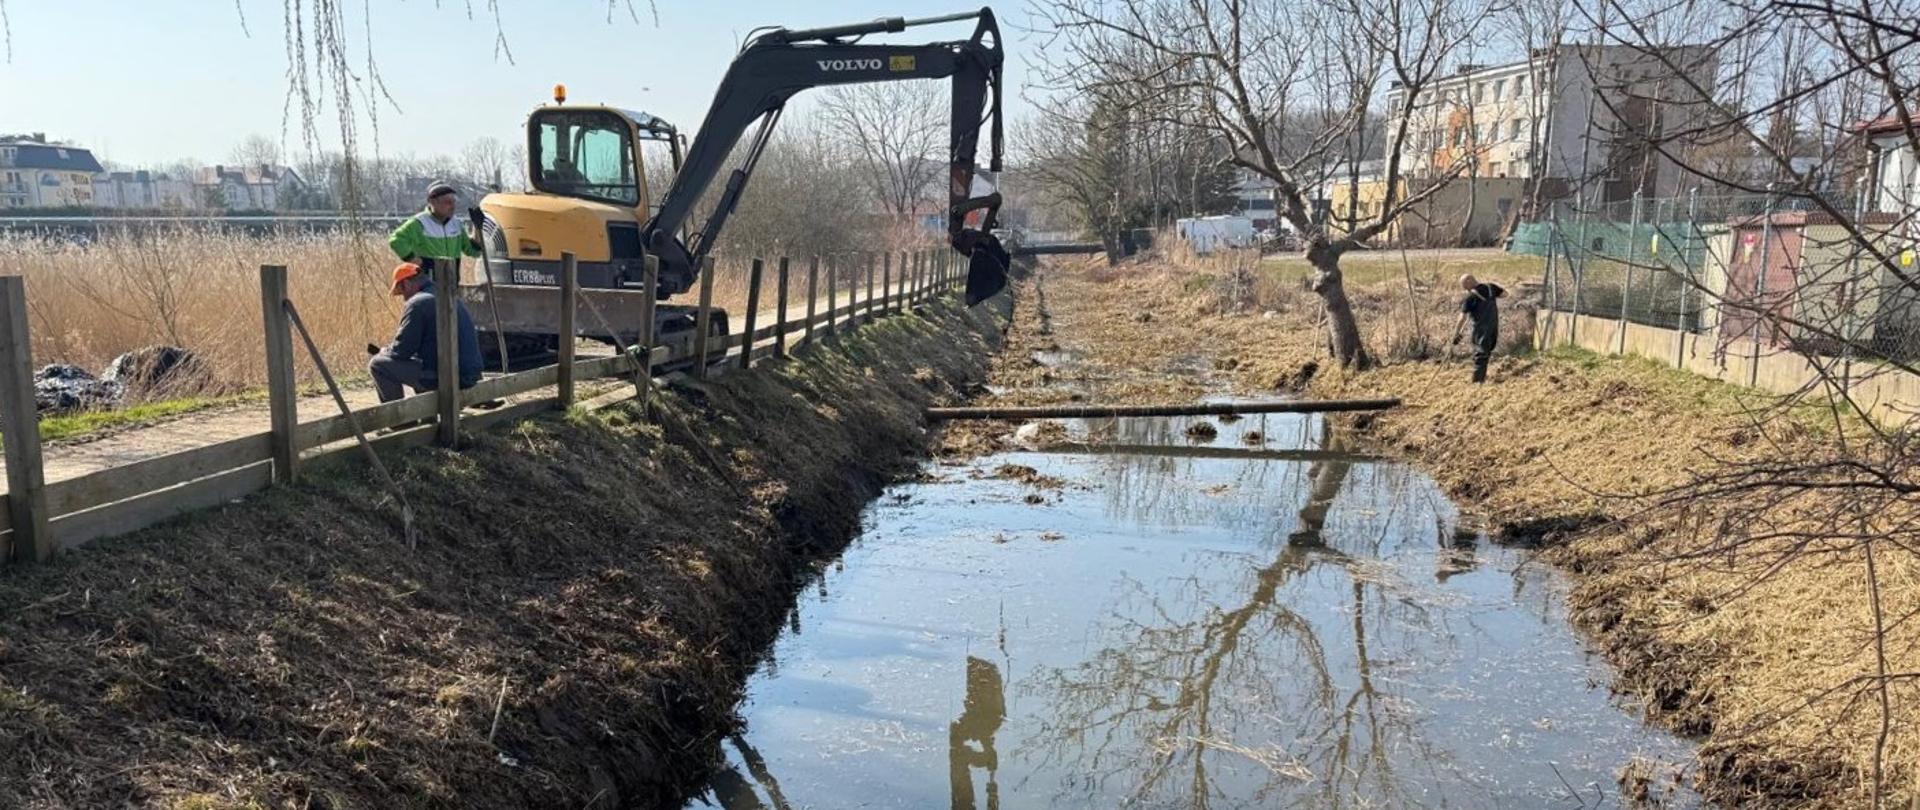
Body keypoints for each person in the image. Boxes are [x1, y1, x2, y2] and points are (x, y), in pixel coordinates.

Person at [369, 262, 483, 403]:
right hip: (469, 374)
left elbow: (402, 350)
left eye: (402, 291)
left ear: (406, 284)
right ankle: (428, 417)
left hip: (447, 376)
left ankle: (401, 421)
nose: (404, 298)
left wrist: (384, 351)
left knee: (377, 364)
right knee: (421, 361)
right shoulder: (449, 295)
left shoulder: (417, 303)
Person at [388, 182, 482, 266]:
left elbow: (475, 252)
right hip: (426, 283)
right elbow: (396, 240)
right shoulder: (420, 223)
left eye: (454, 202)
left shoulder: (456, 224)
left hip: (451, 281)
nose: (453, 206)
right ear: (432, 202)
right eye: (448, 202)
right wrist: (411, 258)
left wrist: (477, 228)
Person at [1451, 273, 1506, 383]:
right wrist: (1492, 297)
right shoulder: (1491, 287)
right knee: (1486, 352)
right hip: (1493, 326)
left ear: (1469, 282)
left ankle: (1477, 381)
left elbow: (1462, 317)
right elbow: (1505, 294)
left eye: (1464, 286)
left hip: (1481, 329)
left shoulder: (1471, 297)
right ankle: (1481, 377)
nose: (1464, 289)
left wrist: (1456, 333)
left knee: (1480, 354)